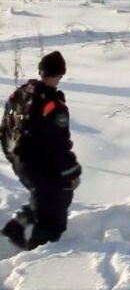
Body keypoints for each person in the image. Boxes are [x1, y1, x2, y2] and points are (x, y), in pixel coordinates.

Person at [0, 51, 81, 250]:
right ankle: (39, 254)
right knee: (56, 207)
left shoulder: (19, 94)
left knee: (45, 197)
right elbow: (58, 145)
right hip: (41, 164)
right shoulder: (53, 106)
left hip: (20, 160)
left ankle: (17, 225)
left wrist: (13, 157)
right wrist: (72, 172)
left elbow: (5, 128)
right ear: (60, 74)